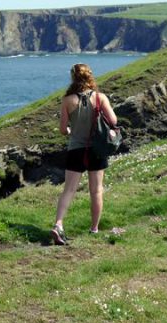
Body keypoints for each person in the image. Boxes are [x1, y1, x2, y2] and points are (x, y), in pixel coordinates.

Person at [50, 63, 118, 245]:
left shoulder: (67, 100)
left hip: (76, 149)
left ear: (73, 78)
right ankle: (94, 228)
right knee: (96, 190)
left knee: (69, 189)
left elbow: (63, 130)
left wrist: (73, 131)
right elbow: (113, 120)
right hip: (96, 149)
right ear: (89, 77)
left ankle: (58, 225)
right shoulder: (100, 97)